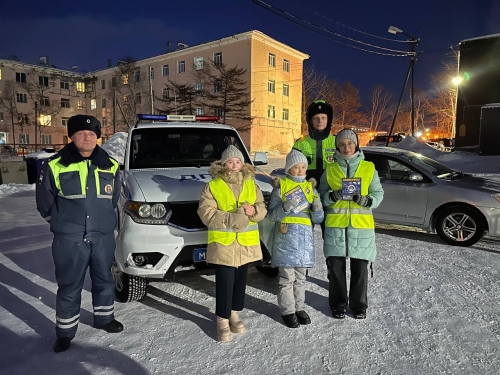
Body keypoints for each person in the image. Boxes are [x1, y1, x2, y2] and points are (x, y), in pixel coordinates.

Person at [36, 115, 122, 353]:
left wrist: (104, 222)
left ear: (98, 138)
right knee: (69, 284)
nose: (87, 138)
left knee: (104, 279)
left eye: (92, 134)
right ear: (71, 137)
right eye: (81, 133)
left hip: (102, 236)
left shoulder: (111, 165)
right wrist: (64, 224)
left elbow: (113, 199)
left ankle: (105, 319)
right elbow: (44, 203)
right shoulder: (55, 165)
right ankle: (65, 332)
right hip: (69, 238)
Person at [197, 145, 267, 342]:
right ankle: (222, 318)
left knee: (239, 281)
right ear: (223, 164)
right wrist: (230, 218)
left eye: (238, 162)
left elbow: (262, 208)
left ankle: (234, 312)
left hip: (246, 243)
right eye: (230, 162)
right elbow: (206, 213)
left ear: (242, 164)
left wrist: (254, 212)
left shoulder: (252, 184)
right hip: (224, 243)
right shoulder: (213, 186)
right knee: (224, 282)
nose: (234, 165)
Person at [318, 128, 384, 320]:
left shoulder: (369, 167)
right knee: (336, 270)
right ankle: (338, 304)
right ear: (337, 147)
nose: (346, 147)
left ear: (356, 145)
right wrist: (333, 196)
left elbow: (378, 194)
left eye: (349, 143)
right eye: (342, 144)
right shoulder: (330, 169)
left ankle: (358, 305)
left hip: (361, 226)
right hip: (336, 226)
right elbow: (321, 196)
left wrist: (367, 200)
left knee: (360, 270)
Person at [266, 149, 324, 328]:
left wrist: (317, 209)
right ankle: (288, 311)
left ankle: (300, 307)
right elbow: (271, 216)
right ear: (288, 169)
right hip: (286, 239)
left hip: (304, 241)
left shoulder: (310, 189)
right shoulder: (281, 187)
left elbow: (318, 219)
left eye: (303, 167)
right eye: (296, 167)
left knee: (301, 278)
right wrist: (284, 207)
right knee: (286, 278)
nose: (300, 170)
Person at [293, 100, 336, 182]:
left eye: (323, 118)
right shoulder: (299, 144)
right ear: (311, 121)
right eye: (316, 118)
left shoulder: (337, 142)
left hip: (332, 190)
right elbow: (291, 169)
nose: (320, 121)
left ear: (328, 120)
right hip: (307, 190)